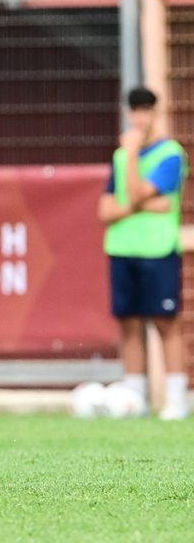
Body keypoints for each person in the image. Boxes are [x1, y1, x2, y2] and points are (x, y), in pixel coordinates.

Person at [97, 87, 189, 420]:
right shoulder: (120, 157)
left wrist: (134, 154)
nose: (140, 118)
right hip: (123, 248)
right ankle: (134, 399)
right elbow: (105, 210)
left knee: (166, 323)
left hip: (157, 249)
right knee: (129, 324)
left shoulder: (170, 155)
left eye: (146, 111)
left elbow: (134, 193)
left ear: (156, 113)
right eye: (135, 111)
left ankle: (176, 399)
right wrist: (144, 205)